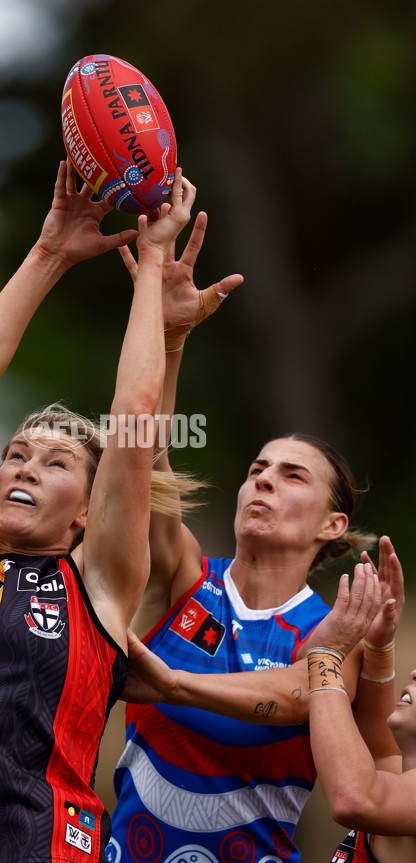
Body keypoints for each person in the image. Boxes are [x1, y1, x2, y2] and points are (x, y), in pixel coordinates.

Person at [0, 160, 197, 863]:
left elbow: (134, 418)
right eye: (19, 453)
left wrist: (151, 264)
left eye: (56, 462)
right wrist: (50, 252)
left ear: (88, 514)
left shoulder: (100, 586)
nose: (24, 465)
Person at [106, 211, 398, 863]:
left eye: (291, 475)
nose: (263, 480)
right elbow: (140, 458)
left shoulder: (330, 630)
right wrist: (171, 336)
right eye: (256, 469)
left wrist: (171, 681)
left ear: (333, 525)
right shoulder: (182, 576)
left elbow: (297, 698)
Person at [306, 540, 413, 863]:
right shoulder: (401, 781)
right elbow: (380, 751)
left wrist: (325, 655)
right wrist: (379, 645)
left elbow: (354, 799)